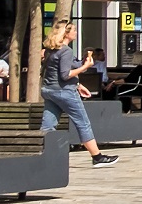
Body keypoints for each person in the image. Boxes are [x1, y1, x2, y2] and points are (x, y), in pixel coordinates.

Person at [38, 22, 117, 167]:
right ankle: (97, 157)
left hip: (49, 90)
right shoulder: (66, 51)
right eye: (74, 30)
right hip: (64, 92)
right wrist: (86, 66)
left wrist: (78, 84)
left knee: (48, 124)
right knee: (83, 123)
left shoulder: (51, 49)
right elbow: (65, 75)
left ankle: (42, 156)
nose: (76, 32)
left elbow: (60, 70)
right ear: (66, 33)